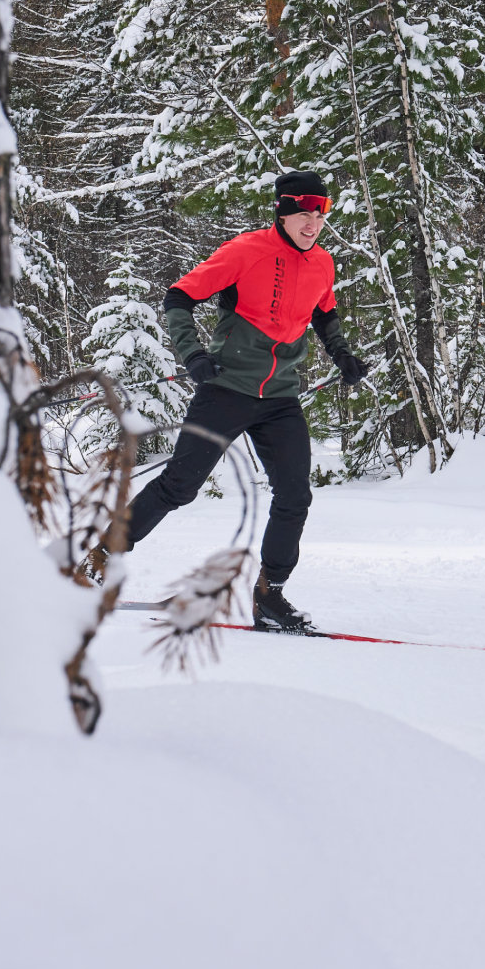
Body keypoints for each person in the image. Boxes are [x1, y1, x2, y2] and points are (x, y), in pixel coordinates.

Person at [125, 170, 370, 632]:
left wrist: (342, 354)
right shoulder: (246, 251)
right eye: (303, 212)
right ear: (282, 211)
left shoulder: (322, 263)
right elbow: (178, 296)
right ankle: (100, 555)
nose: (313, 222)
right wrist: (193, 354)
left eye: (321, 213)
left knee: (295, 495)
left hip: (280, 397)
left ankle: (269, 596)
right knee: (179, 486)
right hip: (227, 388)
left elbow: (325, 313)